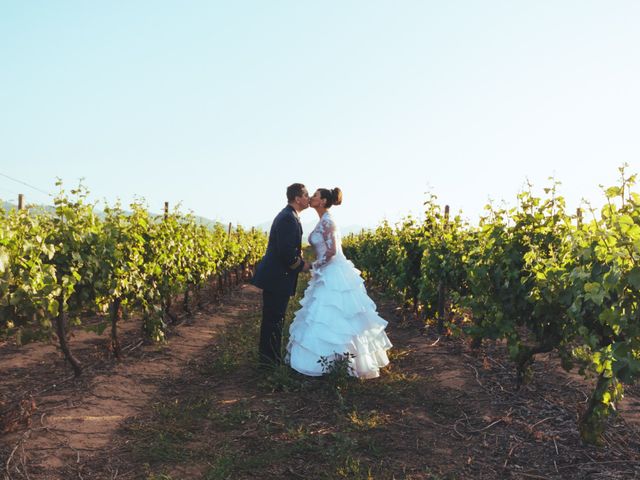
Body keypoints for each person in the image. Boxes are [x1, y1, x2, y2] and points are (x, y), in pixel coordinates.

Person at [286, 187, 392, 378]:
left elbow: (332, 251)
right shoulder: (322, 220)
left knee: (335, 313)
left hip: (333, 272)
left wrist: (313, 265)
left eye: (315, 196)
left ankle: (342, 362)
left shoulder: (329, 221)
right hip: (325, 271)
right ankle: (327, 363)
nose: (311, 198)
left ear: (324, 201)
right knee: (322, 314)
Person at [251, 183, 311, 367]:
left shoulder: (290, 216)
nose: (308, 198)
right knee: (274, 319)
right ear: (297, 198)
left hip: (278, 277)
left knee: (274, 318)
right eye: (306, 195)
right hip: (277, 277)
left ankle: (269, 358)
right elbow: (285, 252)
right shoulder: (287, 218)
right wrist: (302, 265)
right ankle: (269, 361)